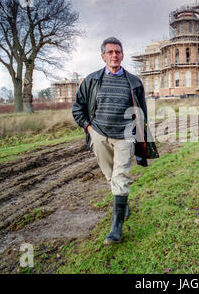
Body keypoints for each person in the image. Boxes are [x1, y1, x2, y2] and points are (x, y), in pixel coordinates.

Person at [72, 37, 148, 245]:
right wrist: (90, 129)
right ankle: (123, 203)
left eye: (118, 52)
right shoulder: (91, 81)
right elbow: (77, 109)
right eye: (110, 52)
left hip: (125, 137)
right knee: (110, 175)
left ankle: (116, 230)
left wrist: (142, 140)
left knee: (121, 175)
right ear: (103, 56)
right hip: (100, 136)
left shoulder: (133, 82)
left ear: (122, 55)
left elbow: (141, 113)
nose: (114, 55)